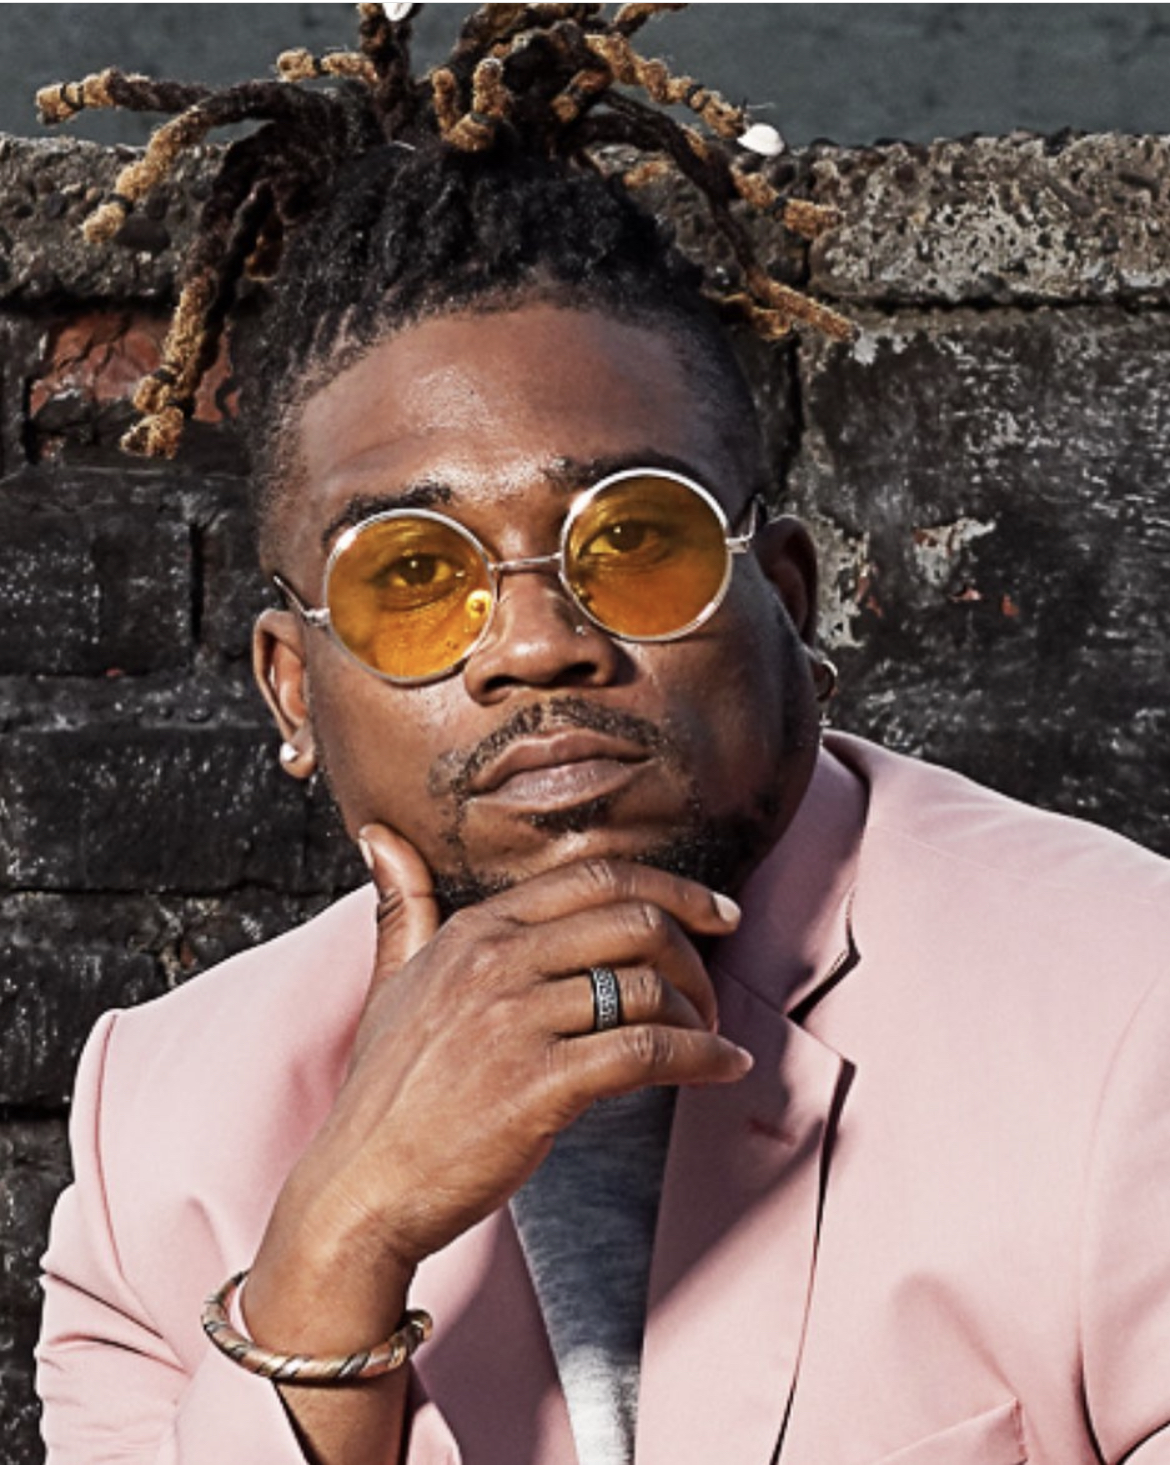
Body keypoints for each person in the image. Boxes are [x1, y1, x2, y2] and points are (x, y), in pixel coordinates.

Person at [34, 6, 1170, 1465]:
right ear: (293, 691)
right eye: (414, 573)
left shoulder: (1126, 1007)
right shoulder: (159, 1125)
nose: (535, 642)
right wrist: (336, 1242)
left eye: (632, 539)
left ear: (785, 599)